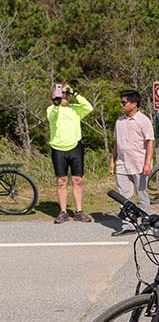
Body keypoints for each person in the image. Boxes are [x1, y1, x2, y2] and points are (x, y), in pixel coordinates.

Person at [46, 83, 94, 224]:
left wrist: (75, 94)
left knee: (77, 180)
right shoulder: (51, 109)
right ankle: (63, 211)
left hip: (75, 147)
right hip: (58, 148)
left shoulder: (75, 109)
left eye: (66, 93)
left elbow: (89, 107)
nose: (64, 96)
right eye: (62, 94)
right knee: (61, 181)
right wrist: (56, 102)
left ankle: (79, 211)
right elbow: (53, 118)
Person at [110, 90, 155, 236]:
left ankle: (145, 221)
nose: (121, 105)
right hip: (122, 164)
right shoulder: (119, 121)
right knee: (124, 196)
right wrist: (112, 160)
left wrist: (147, 163)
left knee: (142, 194)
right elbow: (116, 143)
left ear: (134, 104)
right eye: (121, 102)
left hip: (139, 164)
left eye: (124, 102)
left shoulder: (144, 120)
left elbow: (150, 142)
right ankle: (128, 224)